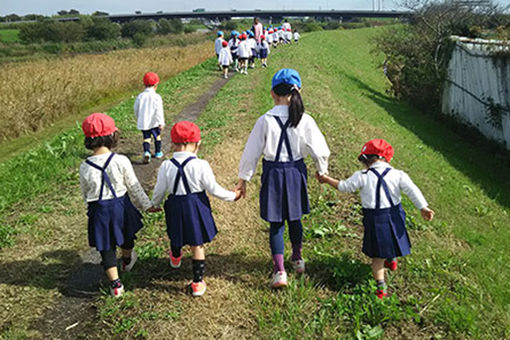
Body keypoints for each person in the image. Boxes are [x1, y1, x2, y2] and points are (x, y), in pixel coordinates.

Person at [237, 69, 330, 288]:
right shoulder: (305, 119)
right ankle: (297, 260)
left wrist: (243, 179)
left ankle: (280, 272)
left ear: (272, 93)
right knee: (295, 217)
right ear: (298, 91)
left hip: (274, 173)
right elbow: (320, 149)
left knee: (276, 223)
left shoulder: (265, 120)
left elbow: (251, 152)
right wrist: (321, 170)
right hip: (296, 172)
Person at [316, 139, 435, 299]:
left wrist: (326, 179)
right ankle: (392, 260)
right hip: (394, 215)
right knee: (392, 238)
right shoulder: (398, 174)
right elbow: (412, 190)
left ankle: (380, 286)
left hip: (374, 218)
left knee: (377, 256)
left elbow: (344, 186)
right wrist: (423, 207)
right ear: (387, 158)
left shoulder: (361, 176)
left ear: (366, 160)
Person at [152, 121, 242, 297]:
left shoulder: (166, 166)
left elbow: (159, 190)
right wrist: (232, 196)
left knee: (176, 232)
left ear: (172, 143)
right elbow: (213, 189)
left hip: (175, 205)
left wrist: (155, 204)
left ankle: (176, 256)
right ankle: (198, 282)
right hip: (196, 205)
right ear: (197, 143)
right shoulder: (201, 165)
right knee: (197, 242)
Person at [79, 113, 159, 297]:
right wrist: (147, 205)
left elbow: (85, 192)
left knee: (106, 247)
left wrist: (90, 210)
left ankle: (116, 285)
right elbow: (134, 186)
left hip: (98, 209)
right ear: (112, 136)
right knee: (126, 235)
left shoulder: (85, 166)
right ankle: (126, 259)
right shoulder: (121, 160)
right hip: (120, 206)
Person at [134, 72, 165, 164]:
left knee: (146, 137)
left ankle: (147, 152)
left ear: (144, 84)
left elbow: (136, 108)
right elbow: (159, 110)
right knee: (157, 137)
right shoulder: (156, 97)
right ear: (156, 85)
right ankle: (158, 152)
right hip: (154, 122)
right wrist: (161, 122)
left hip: (144, 122)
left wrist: (138, 117)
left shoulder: (140, 96)